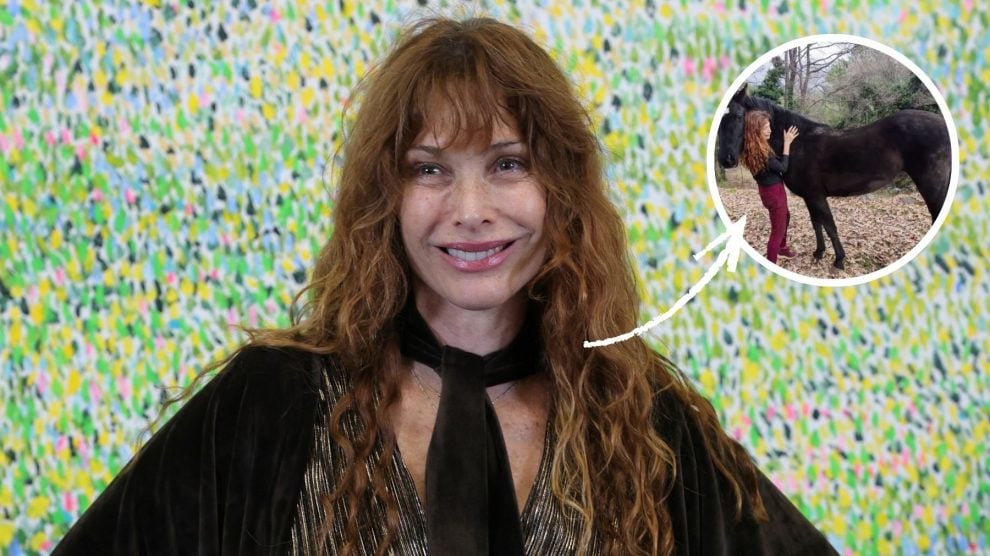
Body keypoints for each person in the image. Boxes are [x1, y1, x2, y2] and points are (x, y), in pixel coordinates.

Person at [54, 17, 836, 555]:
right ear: (385, 197)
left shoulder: (642, 420)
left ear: (560, 188)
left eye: (507, 163)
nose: (469, 211)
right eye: (429, 170)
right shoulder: (272, 403)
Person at [739, 110, 800, 264]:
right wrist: (787, 143)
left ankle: (782, 248)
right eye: (765, 128)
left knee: (786, 216)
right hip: (774, 193)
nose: (770, 130)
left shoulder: (753, 147)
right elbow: (783, 167)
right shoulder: (763, 153)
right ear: (756, 130)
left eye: (769, 126)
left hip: (767, 191)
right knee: (777, 232)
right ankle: (771, 263)